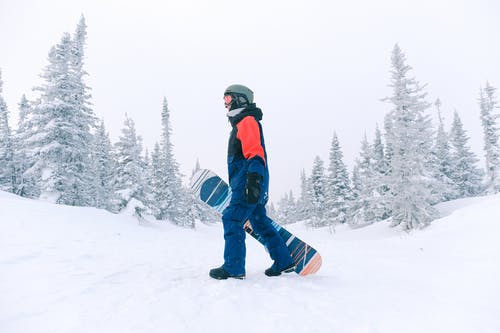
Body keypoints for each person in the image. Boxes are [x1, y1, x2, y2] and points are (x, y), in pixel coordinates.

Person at [209, 84, 295, 280]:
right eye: (224, 101)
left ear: (240, 99)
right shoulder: (245, 122)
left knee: (232, 218)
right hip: (252, 182)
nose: (226, 105)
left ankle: (233, 267)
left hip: (248, 182)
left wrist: (253, 181)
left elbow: (255, 153)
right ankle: (283, 261)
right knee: (258, 221)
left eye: (228, 99)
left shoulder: (246, 121)